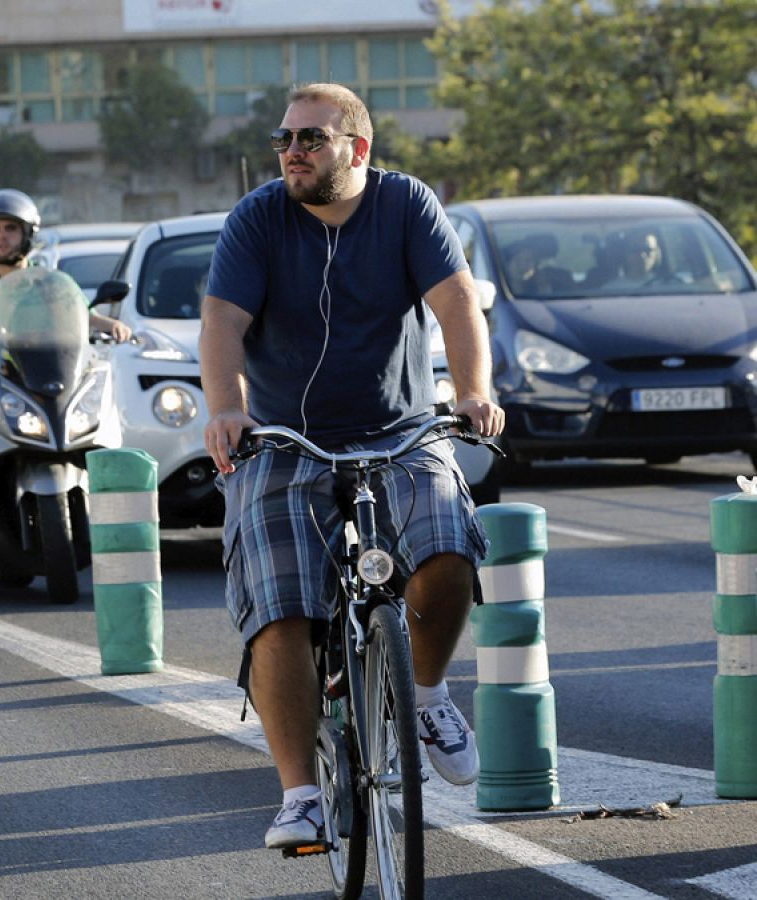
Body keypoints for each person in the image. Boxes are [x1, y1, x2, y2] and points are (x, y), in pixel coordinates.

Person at [197, 83, 504, 849]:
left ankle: (425, 694)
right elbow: (223, 319)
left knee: (447, 545)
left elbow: (456, 301)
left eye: (311, 138)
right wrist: (227, 408)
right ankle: (300, 795)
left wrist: (473, 391)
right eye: (284, 139)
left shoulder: (406, 205)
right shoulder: (257, 218)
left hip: (401, 430)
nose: (292, 152)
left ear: (357, 149)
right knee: (280, 607)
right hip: (284, 440)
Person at [0, 189, 133, 602]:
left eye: (11, 229)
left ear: (28, 234)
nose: (2, 237)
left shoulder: (49, 284)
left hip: (44, 383)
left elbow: (80, 316)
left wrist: (111, 325)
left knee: (105, 447)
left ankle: (123, 553)